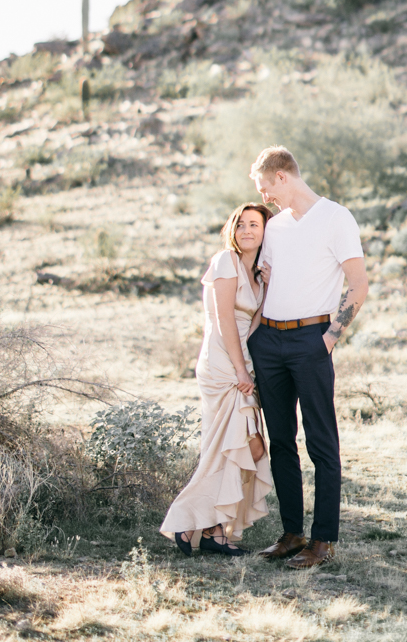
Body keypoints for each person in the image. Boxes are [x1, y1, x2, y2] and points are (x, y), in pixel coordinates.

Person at [246, 146, 369, 569]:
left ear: (282, 177)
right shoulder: (275, 228)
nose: (266, 198)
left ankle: (323, 541)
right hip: (270, 342)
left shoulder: (337, 218)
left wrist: (329, 339)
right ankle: (292, 533)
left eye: (266, 189)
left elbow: (358, 286)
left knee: (321, 442)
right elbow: (267, 280)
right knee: (281, 441)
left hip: (311, 341)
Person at [160, 202, 273, 556]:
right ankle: (186, 519)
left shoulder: (255, 273)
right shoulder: (225, 261)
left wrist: (267, 290)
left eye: (254, 224)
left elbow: (253, 324)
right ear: (232, 230)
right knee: (236, 444)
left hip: (243, 359)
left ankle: (211, 529)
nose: (247, 230)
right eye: (240, 224)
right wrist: (241, 370)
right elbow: (225, 320)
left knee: (245, 446)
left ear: (265, 231)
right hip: (223, 362)